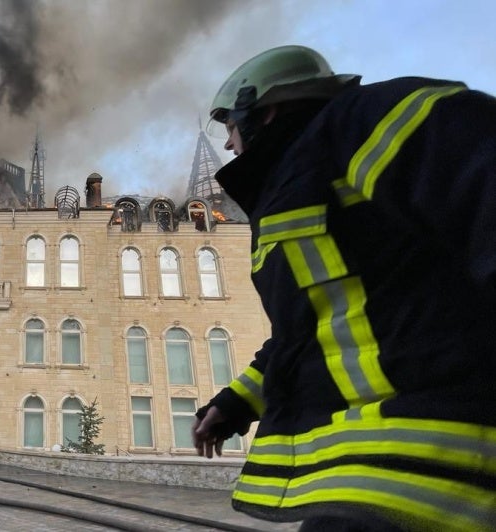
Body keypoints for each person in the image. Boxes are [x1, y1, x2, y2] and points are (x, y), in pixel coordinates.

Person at [193, 44, 496, 531]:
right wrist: (234, 404)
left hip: (440, 453)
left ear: (262, 111)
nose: (229, 146)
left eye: (230, 128)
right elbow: (307, 331)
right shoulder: (290, 190)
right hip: (374, 470)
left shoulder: (365, 121)